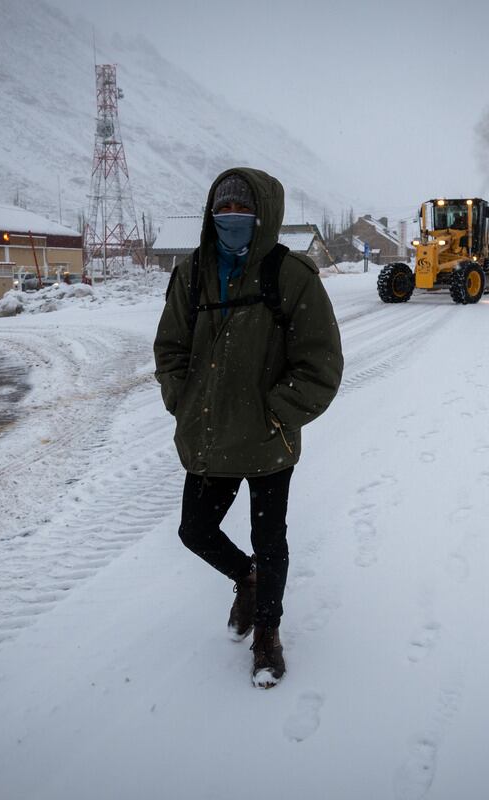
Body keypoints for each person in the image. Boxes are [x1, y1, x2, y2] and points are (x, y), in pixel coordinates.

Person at [154, 168, 343, 688]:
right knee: (195, 530)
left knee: (269, 539)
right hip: (209, 436)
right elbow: (169, 348)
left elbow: (321, 364)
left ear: (264, 215)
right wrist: (183, 400)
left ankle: (267, 635)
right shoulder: (192, 273)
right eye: (223, 209)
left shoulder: (291, 276)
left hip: (266, 441)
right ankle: (247, 580)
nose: (230, 218)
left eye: (241, 209)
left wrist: (276, 411)